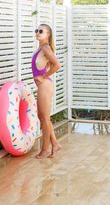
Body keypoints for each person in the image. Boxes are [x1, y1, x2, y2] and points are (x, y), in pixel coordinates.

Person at [32, 23, 62, 159]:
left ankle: (45, 149)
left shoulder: (46, 48)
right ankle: (55, 143)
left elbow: (57, 65)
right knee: (42, 117)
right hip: (42, 86)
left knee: (44, 118)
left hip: (45, 85)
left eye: (41, 31)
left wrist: (43, 76)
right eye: (36, 30)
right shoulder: (40, 48)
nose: (38, 33)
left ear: (48, 34)